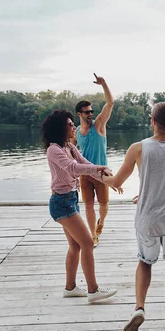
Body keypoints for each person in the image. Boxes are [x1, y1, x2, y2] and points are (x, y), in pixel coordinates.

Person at [102, 102, 165, 331]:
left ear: (152, 121)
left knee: (145, 263)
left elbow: (117, 181)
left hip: (147, 219)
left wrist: (103, 177)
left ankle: (139, 307)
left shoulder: (138, 148)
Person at [42, 109, 118, 302]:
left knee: (75, 246)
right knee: (87, 243)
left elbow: (85, 163)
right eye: (69, 124)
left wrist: (109, 180)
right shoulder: (54, 150)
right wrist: (99, 167)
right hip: (61, 203)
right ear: (60, 128)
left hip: (71, 200)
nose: (73, 127)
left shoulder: (68, 146)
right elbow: (73, 168)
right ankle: (93, 290)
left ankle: (70, 287)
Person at [75, 73, 114, 247]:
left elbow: (110, 103)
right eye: (87, 112)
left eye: (92, 111)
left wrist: (104, 85)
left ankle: (102, 222)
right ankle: (93, 235)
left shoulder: (99, 125)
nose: (91, 113)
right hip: (85, 174)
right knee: (88, 205)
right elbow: (71, 151)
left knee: (104, 206)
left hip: (101, 173)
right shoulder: (76, 132)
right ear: (79, 114)